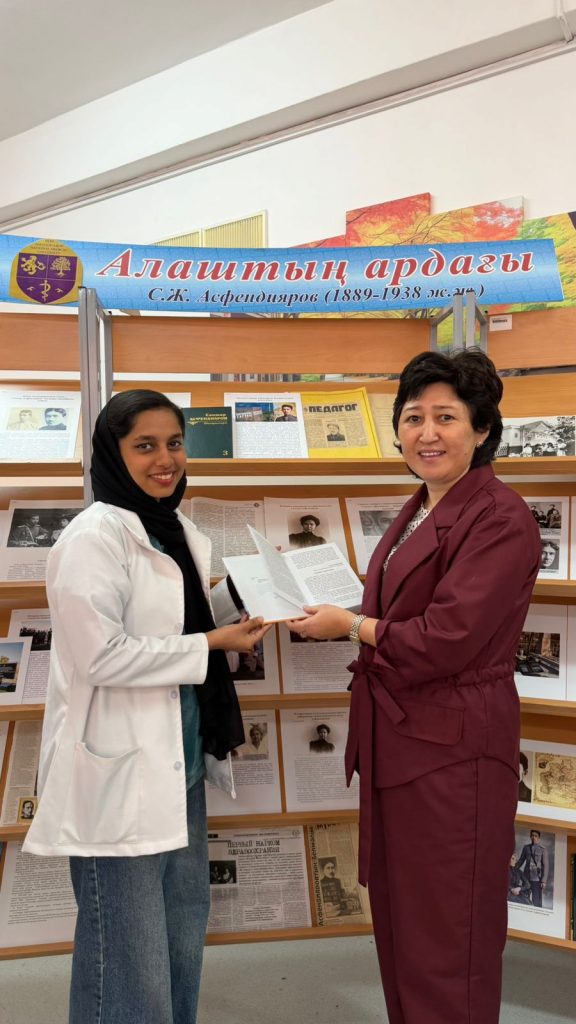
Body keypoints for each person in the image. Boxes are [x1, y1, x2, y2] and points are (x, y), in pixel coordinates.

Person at [285, 349, 541, 1024]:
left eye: (446, 418)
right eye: (413, 417)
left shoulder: (500, 516)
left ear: (482, 429)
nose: (427, 433)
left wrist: (352, 626)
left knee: (448, 936)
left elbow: (447, 638)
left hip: (454, 748)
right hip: (402, 740)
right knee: (403, 924)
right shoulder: (424, 506)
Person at [23, 389, 270, 1024]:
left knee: (180, 933)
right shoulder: (92, 537)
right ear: (113, 453)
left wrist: (236, 604)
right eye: (145, 446)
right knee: (127, 952)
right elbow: (101, 656)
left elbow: (176, 622)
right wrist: (212, 643)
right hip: (119, 772)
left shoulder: (172, 528)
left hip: (178, 762)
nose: (166, 460)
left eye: (175, 443)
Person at [516, 829, 549, 908]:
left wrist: (544, 881)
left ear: (539, 838)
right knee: (524, 898)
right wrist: (513, 868)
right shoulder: (526, 848)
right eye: (532, 836)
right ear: (530, 837)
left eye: (536, 836)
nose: (534, 837)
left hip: (537, 879)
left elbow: (546, 866)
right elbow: (521, 860)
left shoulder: (543, 849)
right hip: (526, 877)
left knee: (536, 901)